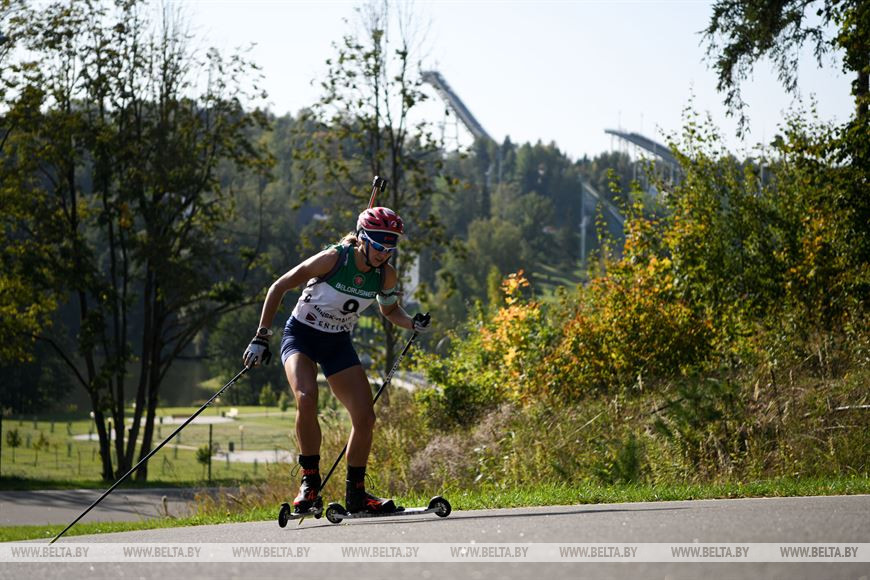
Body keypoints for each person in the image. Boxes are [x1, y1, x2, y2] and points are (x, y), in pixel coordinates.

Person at [242, 206, 432, 515]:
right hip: (301, 336)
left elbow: (390, 310)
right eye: (380, 244)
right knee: (305, 397)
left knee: (365, 417)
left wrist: (412, 323)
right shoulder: (333, 259)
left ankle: (356, 495)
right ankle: (309, 484)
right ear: (362, 239)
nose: (385, 253)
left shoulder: (386, 275)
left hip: (336, 343)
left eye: (391, 246)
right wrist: (261, 336)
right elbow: (279, 286)